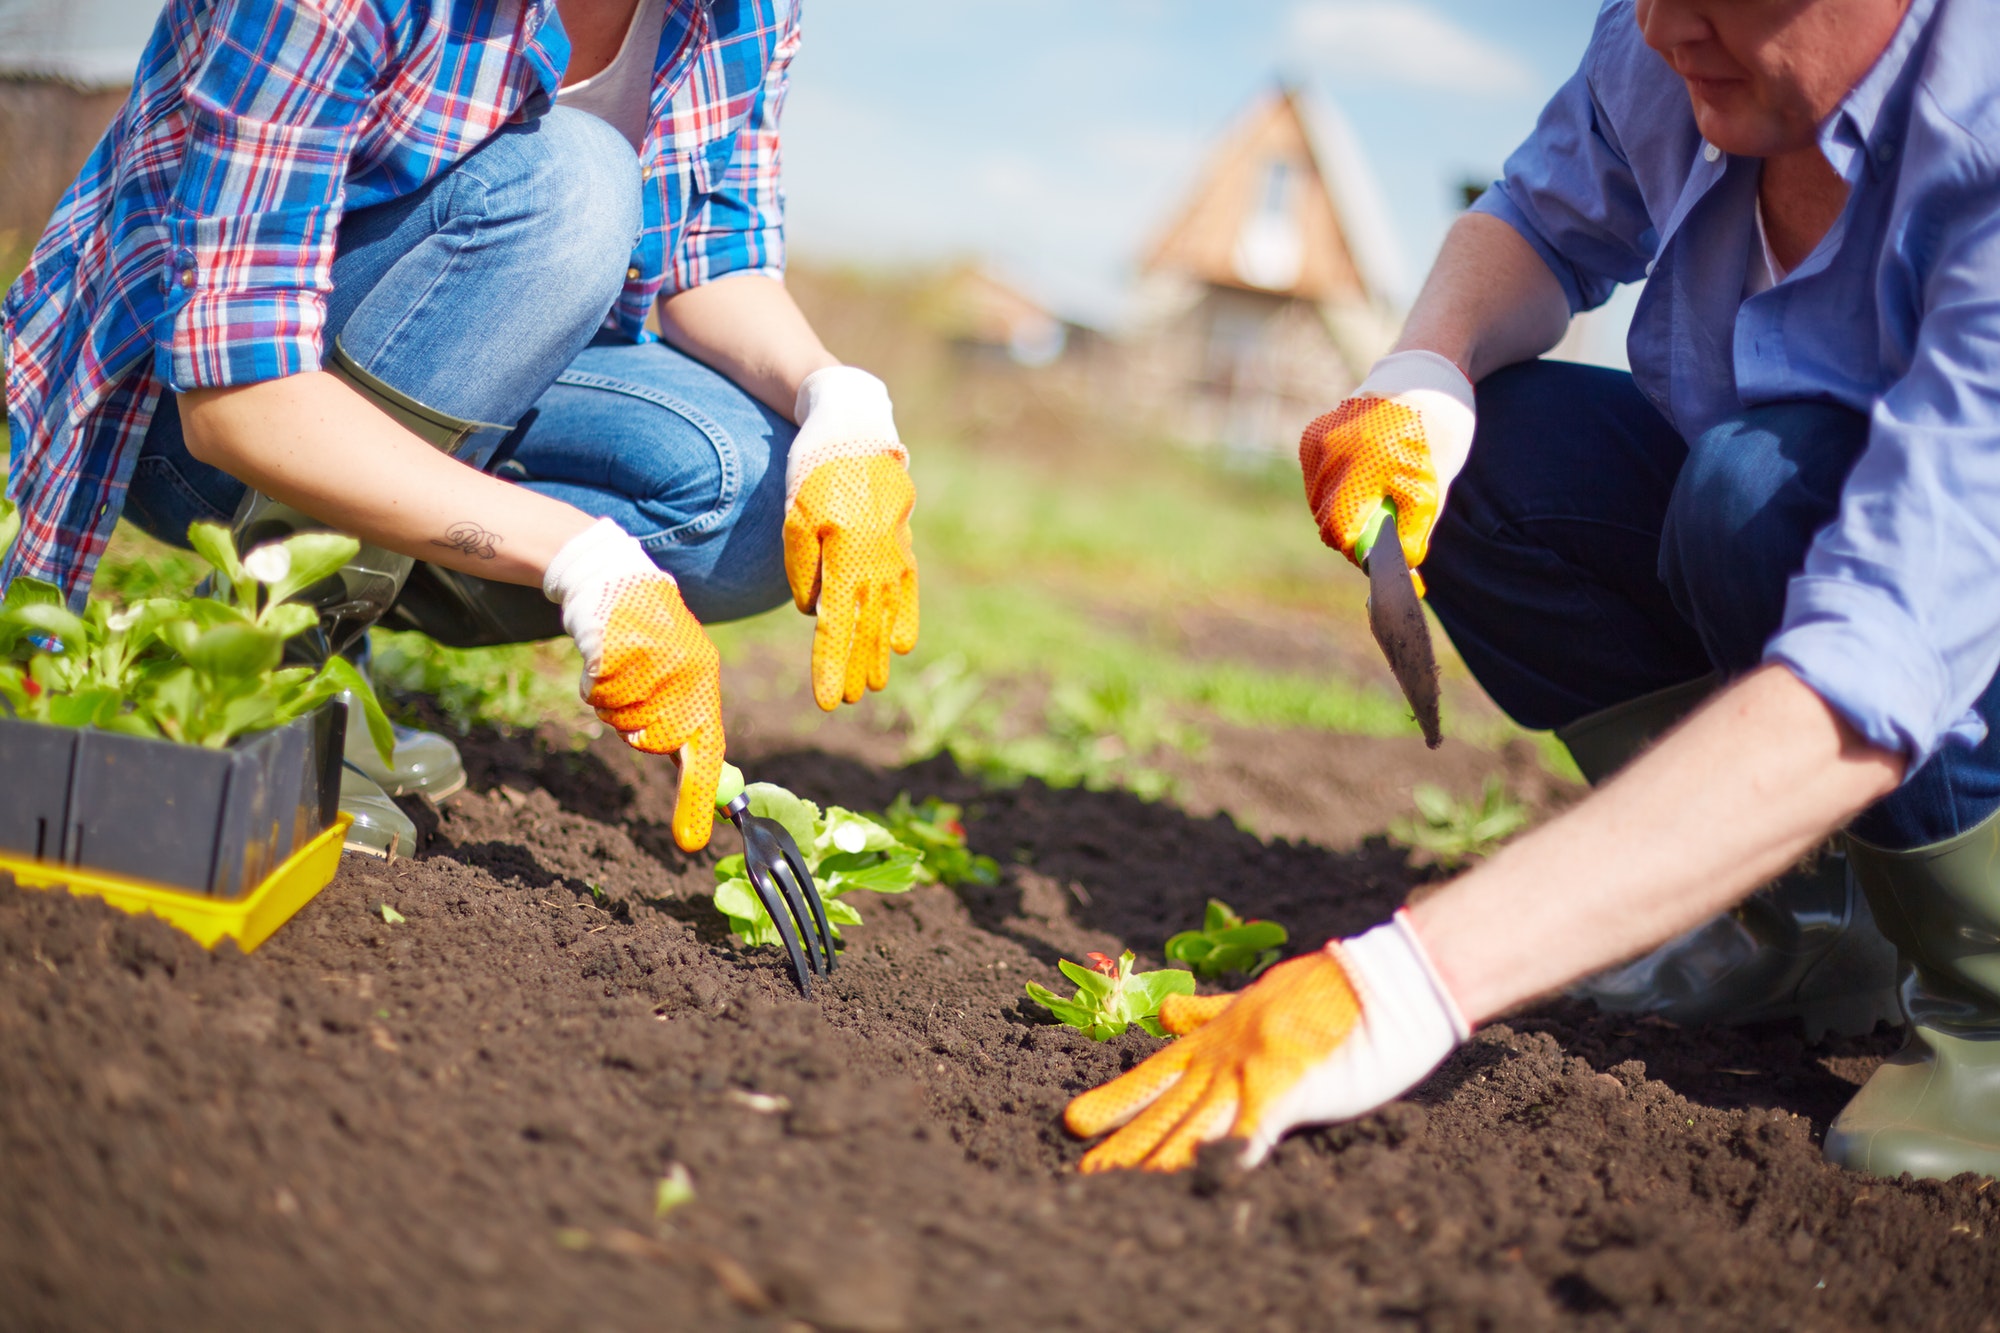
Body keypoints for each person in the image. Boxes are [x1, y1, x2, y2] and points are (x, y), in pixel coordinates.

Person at [1064, 0, 2000, 1183]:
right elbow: (1535, 220)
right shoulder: (1674, 40)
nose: (1662, 29)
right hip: (1838, 568)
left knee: (1756, 493)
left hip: (1959, 609)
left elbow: (1885, 644)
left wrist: (1403, 986)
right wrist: (1420, 377)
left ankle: (1985, 1002)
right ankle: (1795, 925)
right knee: (1502, 462)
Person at [2, 0, 918, 859]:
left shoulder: (745, 12)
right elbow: (234, 396)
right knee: (575, 187)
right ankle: (263, 657)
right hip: (181, 408)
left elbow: (710, 262)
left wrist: (839, 404)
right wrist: (580, 558)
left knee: (757, 501)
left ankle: (319, 628)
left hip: (449, 366)